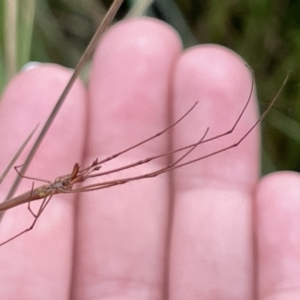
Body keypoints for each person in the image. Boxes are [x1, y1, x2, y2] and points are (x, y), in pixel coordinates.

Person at [0, 18, 299, 299]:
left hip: (53, 187)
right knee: (141, 169)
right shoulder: (59, 187)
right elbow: (27, 194)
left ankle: (221, 133)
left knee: (138, 169)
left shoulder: (71, 181)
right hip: (35, 193)